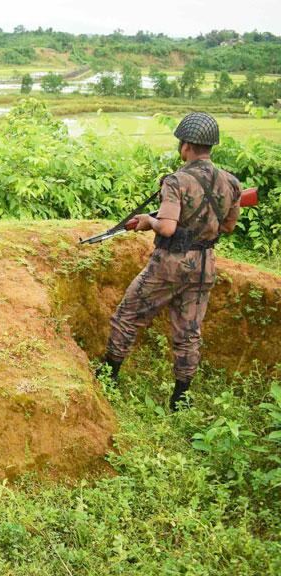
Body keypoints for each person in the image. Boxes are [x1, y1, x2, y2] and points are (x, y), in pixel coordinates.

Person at [100, 112, 243, 410]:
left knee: (128, 315)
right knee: (188, 333)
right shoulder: (231, 182)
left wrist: (148, 222)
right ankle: (181, 400)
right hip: (205, 265)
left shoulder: (177, 181)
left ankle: (107, 378)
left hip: (169, 264)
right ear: (210, 147)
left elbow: (166, 227)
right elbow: (228, 227)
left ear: (186, 146)